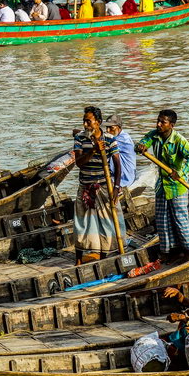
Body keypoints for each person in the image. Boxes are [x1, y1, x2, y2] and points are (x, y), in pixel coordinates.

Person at [135, 109, 189, 260]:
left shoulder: (178, 140)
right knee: (162, 219)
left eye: (162, 122)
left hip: (177, 185)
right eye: (158, 121)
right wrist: (141, 147)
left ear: (171, 125)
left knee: (179, 218)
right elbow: (141, 144)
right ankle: (167, 251)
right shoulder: (154, 135)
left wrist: (180, 173)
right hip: (162, 185)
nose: (158, 124)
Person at [73, 106, 123, 264]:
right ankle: (79, 259)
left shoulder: (109, 138)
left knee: (106, 224)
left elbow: (117, 164)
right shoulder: (80, 138)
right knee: (81, 224)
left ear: (98, 122)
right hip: (85, 186)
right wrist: (93, 151)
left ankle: (103, 257)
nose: (85, 125)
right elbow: (79, 163)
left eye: (88, 121)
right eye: (84, 121)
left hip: (102, 186)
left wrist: (115, 188)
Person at [104, 114, 136, 188]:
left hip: (124, 179)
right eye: (107, 128)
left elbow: (101, 139)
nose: (108, 131)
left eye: (111, 128)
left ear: (119, 127)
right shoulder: (114, 137)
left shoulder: (124, 139)